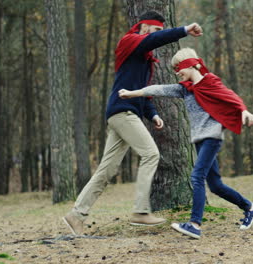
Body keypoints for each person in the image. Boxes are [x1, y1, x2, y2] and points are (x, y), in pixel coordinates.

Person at [63, 12, 203, 236]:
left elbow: (143, 92)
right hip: (122, 112)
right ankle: (140, 211)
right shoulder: (129, 41)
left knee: (105, 171)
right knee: (151, 154)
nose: (157, 37)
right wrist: (184, 30)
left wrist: (153, 114)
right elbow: (152, 41)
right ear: (145, 27)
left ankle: (76, 215)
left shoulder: (145, 60)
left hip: (125, 114)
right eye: (156, 31)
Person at [118, 48, 253, 239]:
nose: (177, 73)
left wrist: (244, 111)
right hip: (199, 139)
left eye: (179, 68)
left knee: (196, 177)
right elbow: (158, 89)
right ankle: (249, 207)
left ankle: (194, 224)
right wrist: (132, 93)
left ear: (191, 65)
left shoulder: (210, 81)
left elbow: (230, 96)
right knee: (215, 185)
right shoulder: (185, 89)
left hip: (212, 136)